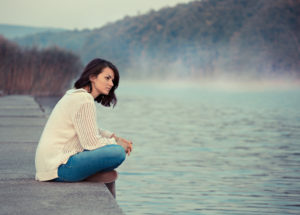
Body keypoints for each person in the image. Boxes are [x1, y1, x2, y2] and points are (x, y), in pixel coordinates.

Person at [35, 58, 133, 198]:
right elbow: (91, 143)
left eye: (113, 80)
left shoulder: (75, 95)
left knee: (113, 148)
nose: (111, 84)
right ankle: (87, 174)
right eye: (107, 78)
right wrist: (117, 144)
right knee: (117, 153)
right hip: (59, 167)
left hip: (48, 166)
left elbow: (89, 128)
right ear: (92, 77)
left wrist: (113, 137)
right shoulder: (84, 100)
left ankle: (87, 174)